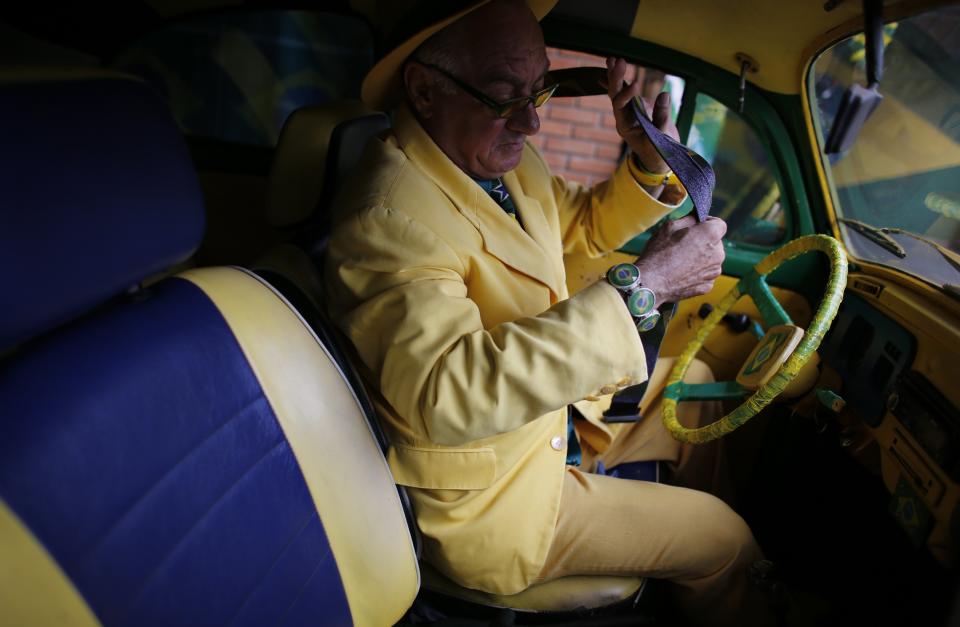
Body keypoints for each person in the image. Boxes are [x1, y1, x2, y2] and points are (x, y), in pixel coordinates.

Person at [323, 0, 766, 623]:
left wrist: (644, 161)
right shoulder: (387, 220)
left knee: (699, 391)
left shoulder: (498, 161)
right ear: (424, 90)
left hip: (546, 425)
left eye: (541, 90)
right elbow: (447, 392)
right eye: (505, 97)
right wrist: (647, 286)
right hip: (496, 499)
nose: (531, 122)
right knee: (723, 538)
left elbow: (578, 230)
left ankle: (677, 559)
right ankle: (717, 568)